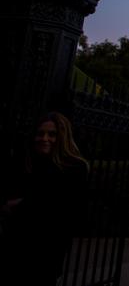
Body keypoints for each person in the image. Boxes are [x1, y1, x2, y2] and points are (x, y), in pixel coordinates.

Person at [0, 112, 89, 286]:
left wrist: (21, 205)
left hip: (47, 250)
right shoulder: (27, 162)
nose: (44, 138)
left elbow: (63, 211)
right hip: (14, 245)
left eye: (52, 134)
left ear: (62, 137)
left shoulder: (74, 167)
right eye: (40, 133)